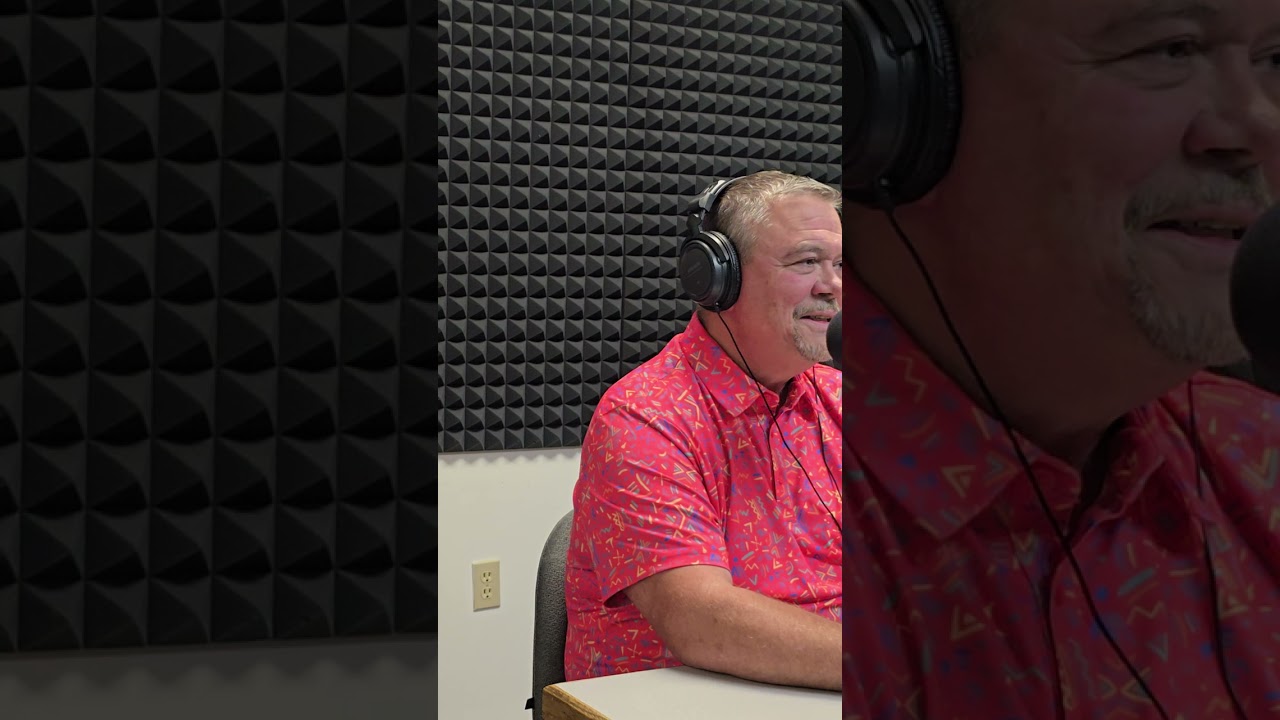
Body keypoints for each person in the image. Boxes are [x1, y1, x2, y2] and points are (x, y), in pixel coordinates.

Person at [842, 0, 1280, 717]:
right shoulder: (798, 499)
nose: (1259, 125)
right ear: (893, 100)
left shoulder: (1263, 461)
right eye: (1170, 49)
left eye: (1278, 61)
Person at [562, 170, 844, 690]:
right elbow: (700, 621)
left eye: (841, 264)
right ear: (717, 277)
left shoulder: (840, 398)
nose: (833, 286)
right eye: (806, 262)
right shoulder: (646, 416)